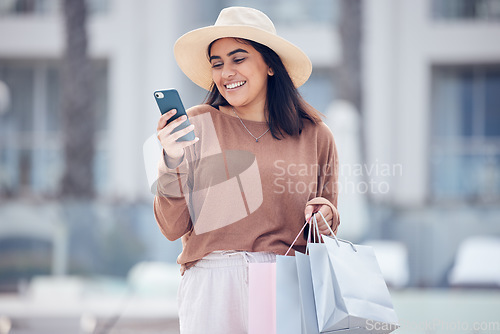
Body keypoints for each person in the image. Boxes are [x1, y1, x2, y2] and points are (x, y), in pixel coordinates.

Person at [154, 6, 340, 334]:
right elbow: (172, 227)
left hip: (285, 284)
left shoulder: (315, 134)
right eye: (217, 63)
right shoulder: (197, 124)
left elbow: (329, 218)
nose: (227, 72)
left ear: (269, 64)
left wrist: (325, 214)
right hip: (211, 286)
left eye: (238, 59)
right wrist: (171, 159)